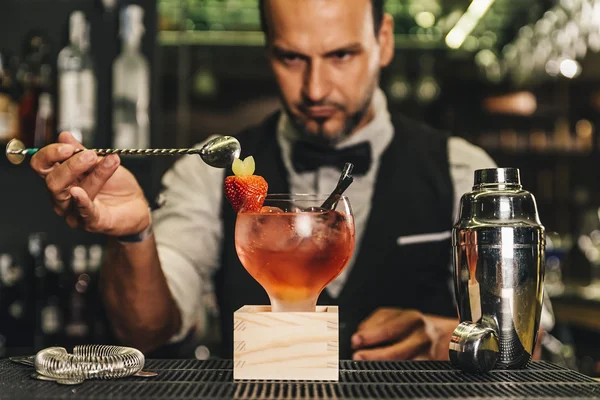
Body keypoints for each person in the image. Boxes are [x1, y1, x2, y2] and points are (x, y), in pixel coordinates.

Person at [29, 0, 553, 361]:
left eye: (341, 55)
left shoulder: (462, 170)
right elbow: (147, 329)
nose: (315, 87)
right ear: (268, 50)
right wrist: (133, 237)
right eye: (292, 57)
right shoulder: (208, 175)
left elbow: (531, 330)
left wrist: (447, 335)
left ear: (384, 41)